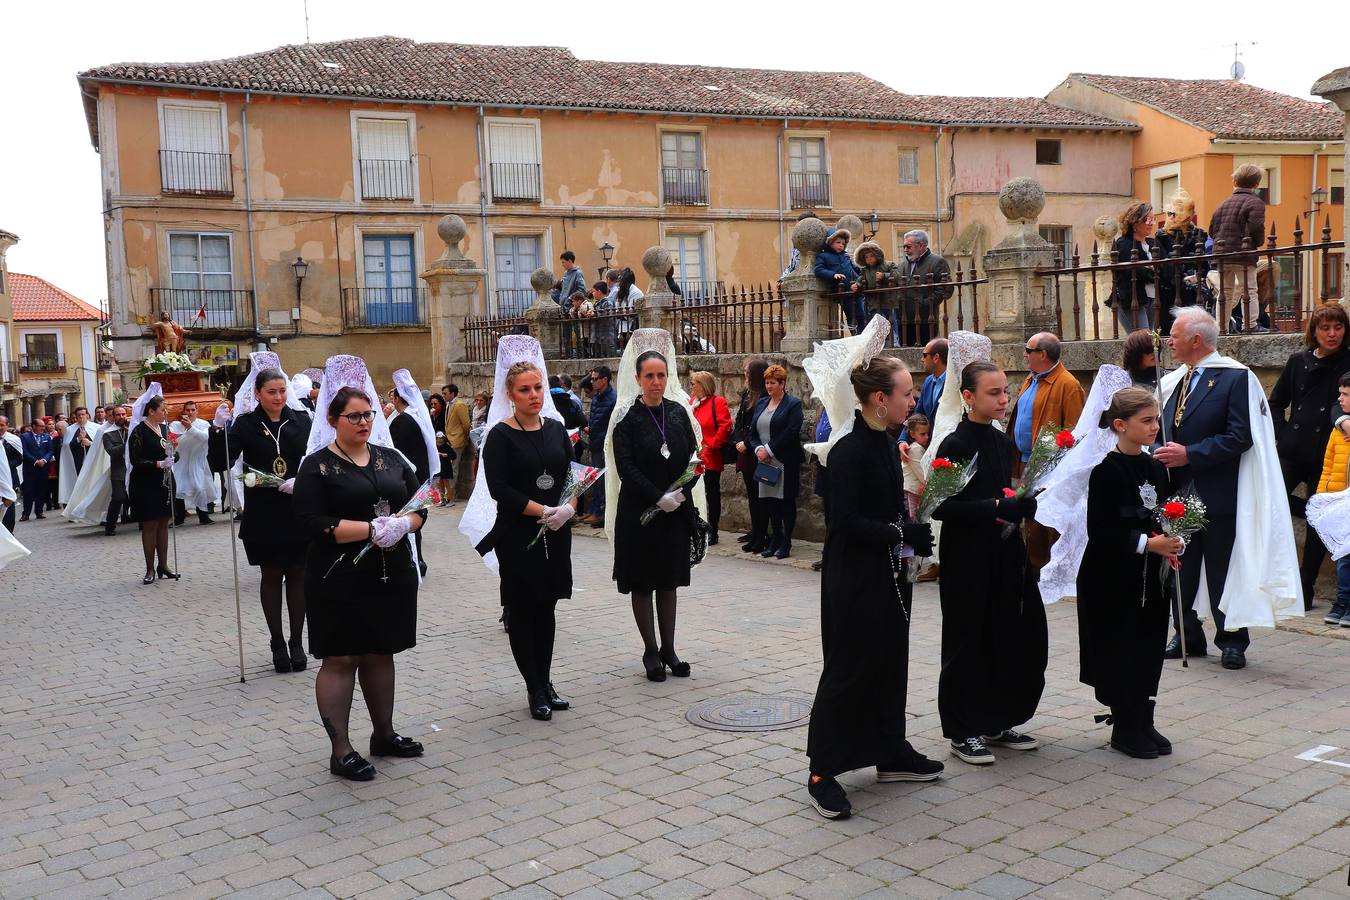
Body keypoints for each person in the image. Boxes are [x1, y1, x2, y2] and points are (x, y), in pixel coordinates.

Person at [800, 316, 942, 820]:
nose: (914, 400)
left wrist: (910, 526)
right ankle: (822, 771)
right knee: (849, 667)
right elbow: (844, 524)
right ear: (879, 399)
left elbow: (887, 509)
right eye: (906, 392)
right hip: (854, 577)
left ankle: (889, 750)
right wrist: (900, 533)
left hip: (887, 573)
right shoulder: (850, 449)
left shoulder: (886, 440)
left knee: (889, 661)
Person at [294, 362, 427, 781]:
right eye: (354, 416)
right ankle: (341, 749)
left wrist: (405, 524)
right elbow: (311, 521)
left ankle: (383, 734)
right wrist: (370, 529)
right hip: (339, 576)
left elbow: (420, 501)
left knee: (380, 649)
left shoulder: (390, 458)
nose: (364, 422)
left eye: (369, 414)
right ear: (332, 420)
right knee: (342, 656)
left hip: (389, 573)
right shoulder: (316, 466)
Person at [1157, 307, 1303, 668]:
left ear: (1195, 339)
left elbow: (1241, 436)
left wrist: (1190, 454)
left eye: (1175, 335)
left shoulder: (1235, 378)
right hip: (1178, 491)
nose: (1169, 341)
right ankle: (1187, 634)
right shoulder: (1173, 379)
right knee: (1181, 567)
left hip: (1219, 490)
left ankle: (1233, 639)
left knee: (1224, 567)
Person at [931, 359, 1046, 765]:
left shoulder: (1000, 440)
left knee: (1004, 634)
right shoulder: (956, 444)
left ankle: (997, 718)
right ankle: (962, 729)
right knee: (967, 640)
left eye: (1005, 391)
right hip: (968, 558)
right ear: (968, 397)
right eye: (993, 393)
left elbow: (1001, 491)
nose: (1003, 399)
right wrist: (995, 506)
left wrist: (1016, 503)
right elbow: (940, 505)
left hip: (1004, 554)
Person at [465, 339, 575, 720]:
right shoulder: (500, 435)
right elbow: (501, 490)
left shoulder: (557, 429)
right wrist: (543, 509)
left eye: (538, 387)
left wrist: (569, 508)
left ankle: (546, 680)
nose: (533, 395)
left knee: (547, 608)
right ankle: (534, 688)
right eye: (524, 389)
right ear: (510, 395)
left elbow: (573, 478)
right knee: (524, 610)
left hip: (556, 532)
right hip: (519, 534)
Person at [1078, 388, 1182, 759]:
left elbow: (1162, 512)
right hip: (1113, 578)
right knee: (1122, 646)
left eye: (1156, 419)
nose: (1156, 427)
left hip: (1149, 576)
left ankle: (1144, 718)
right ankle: (1124, 724)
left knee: (1149, 644)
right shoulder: (1106, 472)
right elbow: (1102, 530)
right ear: (1121, 425)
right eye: (1147, 421)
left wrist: (1173, 537)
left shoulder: (1154, 466)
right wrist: (1145, 544)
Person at [606, 330, 703, 682]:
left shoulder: (678, 413)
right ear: (638, 379)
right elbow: (626, 468)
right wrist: (656, 497)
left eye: (661, 375)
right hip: (640, 516)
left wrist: (680, 491)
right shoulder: (626, 421)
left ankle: (670, 648)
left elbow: (694, 458)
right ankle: (650, 649)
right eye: (649, 376)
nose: (656, 382)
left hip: (674, 513)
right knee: (643, 582)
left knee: (669, 581)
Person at [210, 357, 312, 673]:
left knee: (298, 575)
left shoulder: (301, 421)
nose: (278, 397)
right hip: (264, 513)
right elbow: (220, 463)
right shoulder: (244, 424)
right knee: (271, 575)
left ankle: (297, 642)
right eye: (271, 391)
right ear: (257, 393)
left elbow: (318, 457)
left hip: (297, 510)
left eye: (282, 391)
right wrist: (217, 430)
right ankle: (277, 642)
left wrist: (303, 479)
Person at [1268, 305, 1350, 609]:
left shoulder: (1347, 362)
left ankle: (1305, 586)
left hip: (1328, 453)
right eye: (1325, 328)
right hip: (1293, 449)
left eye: (1338, 327)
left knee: (1318, 524)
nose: (1332, 334)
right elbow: (1275, 402)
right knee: (1271, 497)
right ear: (1314, 331)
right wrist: (1282, 432)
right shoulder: (1297, 361)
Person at [1010, 332, 1085, 569]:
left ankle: (1050, 570)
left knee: (1047, 522)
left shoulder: (1068, 384)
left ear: (1042, 354)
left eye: (1028, 350)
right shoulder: (1030, 379)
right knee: (1030, 519)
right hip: (1025, 462)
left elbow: (1074, 432)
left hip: (1050, 467)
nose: (1024, 354)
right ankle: (1034, 569)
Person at [748, 364, 804, 558]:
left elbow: (791, 430)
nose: (769, 386)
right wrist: (758, 449)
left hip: (784, 460)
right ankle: (775, 538)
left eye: (772, 383)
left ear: (782, 383)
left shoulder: (793, 404)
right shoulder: (762, 402)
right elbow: (752, 432)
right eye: (766, 382)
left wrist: (770, 449)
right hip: (764, 461)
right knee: (769, 502)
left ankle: (786, 542)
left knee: (785, 502)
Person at [126, 387, 179, 585]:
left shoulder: (166, 429)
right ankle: (149, 568)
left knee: (164, 523)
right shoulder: (139, 431)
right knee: (150, 524)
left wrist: (174, 456)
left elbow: (174, 451)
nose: (165, 413)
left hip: (164, 482)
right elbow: (135, 459)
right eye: (162, 410)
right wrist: (158, 463)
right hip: (145, 483)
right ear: (151, 411)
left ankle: (163, 565)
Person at [389, 369, 439, 576]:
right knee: (417, 520)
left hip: (408, 479)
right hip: (422, 479)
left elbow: (393, 450)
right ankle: (419, 559)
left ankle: (415, 560)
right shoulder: (417, 417)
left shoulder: (403, 421)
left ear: (398, 397)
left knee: (410, 521)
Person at [1208, 164, 1267, 334]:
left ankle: (1221, 328)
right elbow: (1256, 226)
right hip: (1243, 253)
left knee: (1224, 292)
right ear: (1256, 184)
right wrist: (1258, 241)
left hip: (1221, 253)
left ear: (1234, 181)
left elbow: (1212, 229)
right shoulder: (1255, 202)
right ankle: (1250, 325)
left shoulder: (1222, 204)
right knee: (1249, 289)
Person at [1313, 372, 1350, 625]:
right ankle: (1343, 602)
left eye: (1345, 395)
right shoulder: (1339, 428)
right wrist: (1323, 493)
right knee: (1342, 557)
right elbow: (1328, 463)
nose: (1340, 399)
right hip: (1339, 501)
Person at [1154, 189, 1210, 332]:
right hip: (1169, 293)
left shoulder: (1199, 235)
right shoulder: (1161, 236)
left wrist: (1197, 276)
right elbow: (1162, 267)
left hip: (1193, 293)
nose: (1171, 217)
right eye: (1169, 213)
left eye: (1176, 213)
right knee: (1171, 332)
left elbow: (1204, 266)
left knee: (1194, 331)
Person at [689, 370, 732, 544]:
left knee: (711, 495)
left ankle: (712, 529)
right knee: (693, 494)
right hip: (693, 457)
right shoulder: (692, 403)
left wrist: (711, 445)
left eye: (694, 384)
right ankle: (696, 527)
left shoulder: (717, 402)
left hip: (710, 457)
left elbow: (725, 426)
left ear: (703, 385)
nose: (691, 387)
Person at [732, 359, 770, 549]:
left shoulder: (764, 396)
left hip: (756, 451)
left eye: (747, 372)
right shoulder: (747, 393)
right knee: (752, 495)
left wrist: (747, 443)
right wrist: (737, 439)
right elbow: (739, 420)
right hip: (745, 451)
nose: (745, 374)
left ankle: (762, 535)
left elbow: (758, 424)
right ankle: (755, 531)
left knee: (760, 496)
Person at [897, 230, 953, 348]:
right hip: (904, 319)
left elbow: (946, 289)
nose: (905, 250)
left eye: (908, 246)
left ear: (921, 245)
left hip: (926, 320)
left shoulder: (937, 262)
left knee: (927, 354)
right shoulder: (902, 265)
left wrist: (925, 303)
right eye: (904, 247)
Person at [1111, 201, 1158, 333]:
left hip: (1153, 298)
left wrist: (1152, 271)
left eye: (1152, 219)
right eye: (1146, 219)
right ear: (1134, 222)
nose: (1150, 223)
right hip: (1132, 300)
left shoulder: (1153, 243)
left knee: (1151, 341)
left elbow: (1165, 269)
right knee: (1143, 340)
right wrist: (1152, 272)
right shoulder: (1124, 244)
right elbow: (1134, 271)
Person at [170, 400, 218, 526]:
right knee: (179, 488)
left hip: (197, 460)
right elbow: (172, 440)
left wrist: (190, 428)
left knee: (199, 487)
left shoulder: (203, 423)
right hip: (181, 460)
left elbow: (205, 437)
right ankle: (179, 517)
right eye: (188, 410)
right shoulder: (175, 424)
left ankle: (203, 516)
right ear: (183, 411)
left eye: (193, 410)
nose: (190, 412)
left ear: (197, 411)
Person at [579, 365, 616, 527]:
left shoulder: (612, 399)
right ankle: (595, 511)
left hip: (603, 446)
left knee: (604, 481)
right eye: (592, 378)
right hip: (595, 443)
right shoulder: (597, 397)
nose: (592, 382)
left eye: (595, 378)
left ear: (605, 380)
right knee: (596, 480)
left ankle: (602, 514)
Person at [853, 241, 903, 345]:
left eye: (871, 256)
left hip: (888, 301)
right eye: (866, 257)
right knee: (877, 324)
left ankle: (895, 342)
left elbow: (898, 276)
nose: (869, 259)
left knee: (891, 322)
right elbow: (861, 280)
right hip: (873, 303)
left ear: (877, 255)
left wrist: (884, 276)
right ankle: (880, 344)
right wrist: (857, 285)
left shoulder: (889, 264)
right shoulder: (865, 270)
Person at [813, 227, 862, 334]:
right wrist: (833, 274)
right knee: (851, 315)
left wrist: (860, 277)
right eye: (838, 242)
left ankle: (864, 335)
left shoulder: (846, 256)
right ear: (830, 243)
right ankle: (856, 335)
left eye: (843, 243)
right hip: (843, 292)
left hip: (856, 289)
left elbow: (855, 270)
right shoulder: (823, 256)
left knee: (862, 314)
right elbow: (819, 269)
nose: (841, 245)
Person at [102, 406, 130, 534]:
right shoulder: (108, 433)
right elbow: (112, 451)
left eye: (123, 414)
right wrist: (126, 444)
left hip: (134, 468)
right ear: (113, 417)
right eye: (118, 415)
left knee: (137, 496)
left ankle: (143, 524)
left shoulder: (132, 429)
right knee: (118, 498)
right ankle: (110, 526)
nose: (121, 417)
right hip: (118, 470)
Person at [443, 383, 473, 505]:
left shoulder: (459, 405)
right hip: (449, 440)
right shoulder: (448, 405)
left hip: (457, 440)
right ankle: (448, 494)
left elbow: (466, 424)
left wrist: (463, 437)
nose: (443, 396)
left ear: (452, 393)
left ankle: (451, 496)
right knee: (448, 469)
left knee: (453, 469)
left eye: (445, 393)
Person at [20, 418, 53, 520]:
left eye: (43, 426)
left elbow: (50, 451)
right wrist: (35, 461)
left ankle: (39, 511)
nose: (43, 428)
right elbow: (24, 451)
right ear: (34, 426)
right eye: (41, 426)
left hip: (43, 467)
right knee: (29, 491)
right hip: (30, 467)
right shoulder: (25, 437)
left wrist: (44, 460)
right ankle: (26, 513)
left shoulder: (47, 437)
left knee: (41, 490)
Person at [902, 413, 930, 518]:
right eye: (923, 434)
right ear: (912, 434)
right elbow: (922, 474)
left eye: (927, 433)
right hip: (911, 491)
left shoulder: (918, 447)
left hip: (914, 491)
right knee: (913, 519)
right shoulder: (915, 449)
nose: (927, 437)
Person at [0, 416, 21, 533]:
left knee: (9, 508)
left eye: (2, 425)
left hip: (9, 477)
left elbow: (19, 459)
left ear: (7, 426)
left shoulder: (13, 440)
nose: (0, 427)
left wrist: (4, 465)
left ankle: (9, 533)